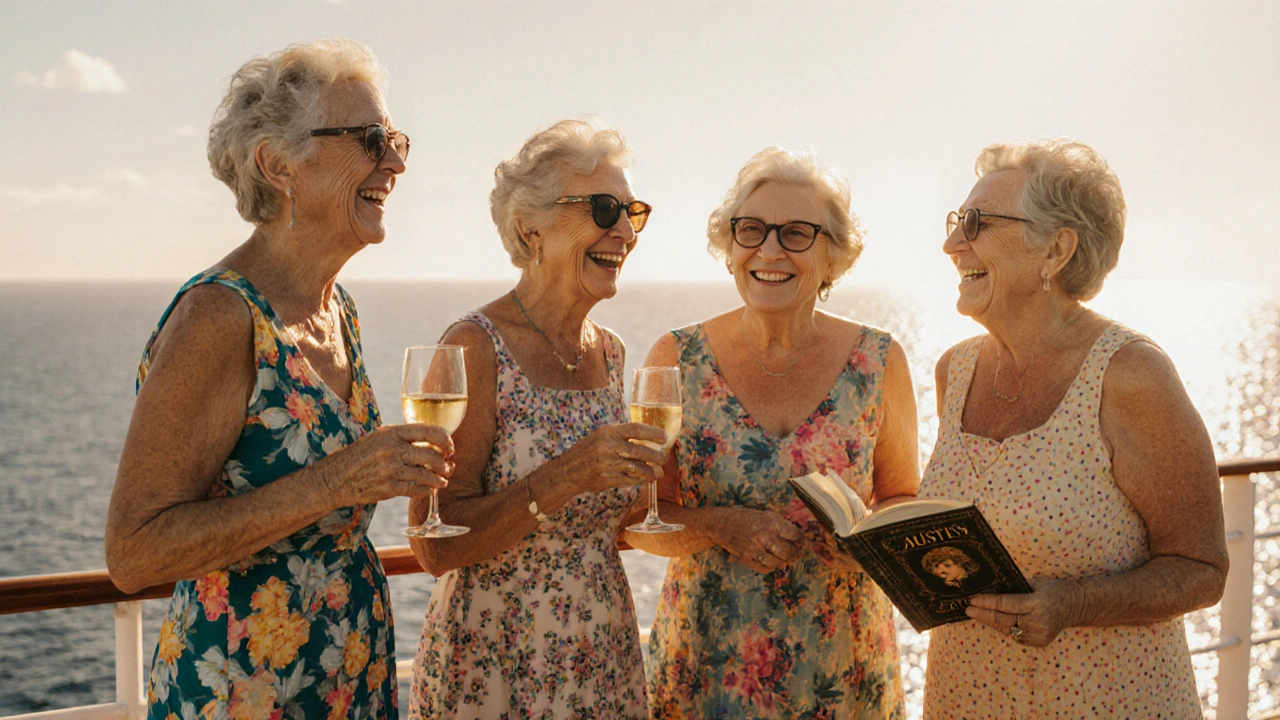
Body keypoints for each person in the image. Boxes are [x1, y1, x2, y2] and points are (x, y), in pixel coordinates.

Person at [103, 39, 442, 718]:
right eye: (372, 139)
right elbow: (134, 553)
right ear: (277, 164)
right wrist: (341, 480)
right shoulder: (218, 317)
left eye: (396, 139)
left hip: (346, 671)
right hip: (244, 688)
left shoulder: (336, 307)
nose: (397, 162)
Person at [920, 139, 1229, 718]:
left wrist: (1075, 602)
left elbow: (1202, 569)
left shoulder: (1131, 373)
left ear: (1056, 250)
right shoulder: (954, 370)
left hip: (1103, 702)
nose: (952, 243)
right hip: (965, 695)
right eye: (957, 221)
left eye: (977, 223)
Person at [626, 146, 920, 718]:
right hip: (707, 669)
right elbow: (638, 518)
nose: (769, 250)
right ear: (730, 247)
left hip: (844, 667)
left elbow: (903, 498)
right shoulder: (675, 357)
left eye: (796, 234)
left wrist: (866, 539)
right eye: (752, 230)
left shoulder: (880, 360)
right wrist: (719, 525)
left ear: (834, 257)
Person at [405, 118, 663, 719]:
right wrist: (565, 476)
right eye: (604, 209)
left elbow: (609, 513)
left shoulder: (611, 351)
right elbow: (432, 544)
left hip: (600, 657)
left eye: (633, 212)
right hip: (497, 663)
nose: (624, 230)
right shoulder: (476, 345)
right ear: (532, 229)